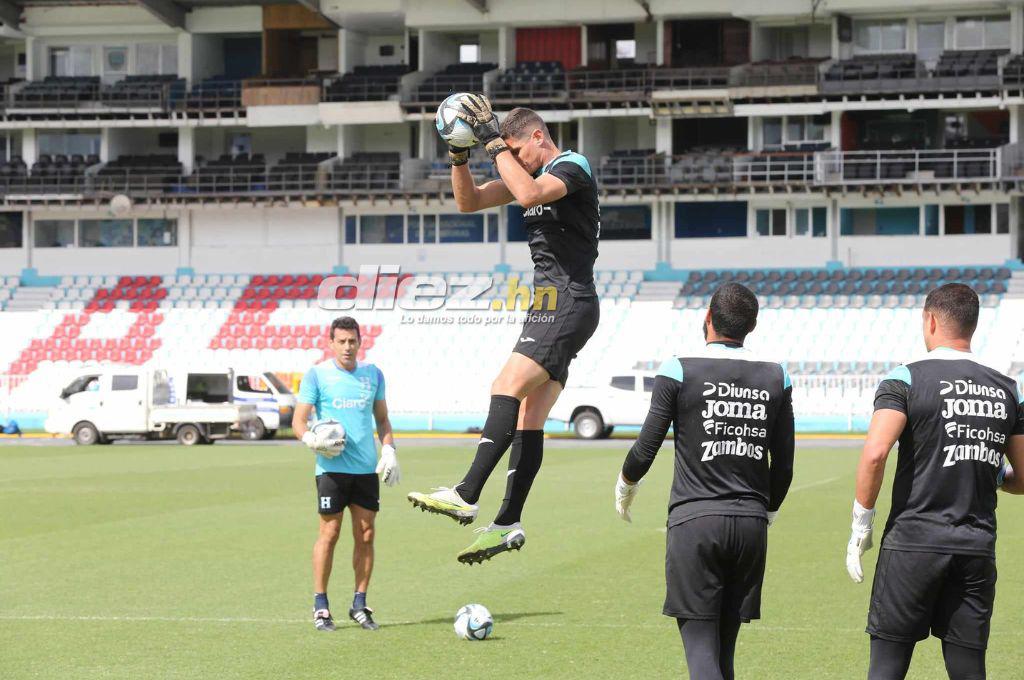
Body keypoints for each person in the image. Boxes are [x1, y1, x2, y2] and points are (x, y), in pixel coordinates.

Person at [407, 99, 601, 565]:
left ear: (537, 136)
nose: (510, 159)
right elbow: (468, 201)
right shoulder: (527, 174)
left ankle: (466, 493)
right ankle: (507, 522)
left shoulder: (571, 165)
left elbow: (530, 195)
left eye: (516, 151)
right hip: (555, 303)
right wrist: (459, 155)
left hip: (567, 300)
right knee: (528, 417)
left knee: (505, 387)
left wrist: (493, 142)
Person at [614, 283, 794, 680]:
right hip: (750, 526)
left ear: (708, 318)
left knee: (700, 654)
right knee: (723, 657)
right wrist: (767, 512)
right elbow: (783, 466)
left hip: (695, 522)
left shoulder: (679, 369)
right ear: (752, 325)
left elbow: (645, 448)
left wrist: (625, 486)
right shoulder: (777, 375)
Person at [846, 283, 1024, 679]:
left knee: (887, 668)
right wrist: (995, 474)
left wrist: (861, 525)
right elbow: (1022, 477)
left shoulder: (906, 378)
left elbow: (875, 453)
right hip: (975, 548)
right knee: (968, 670)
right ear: (973, 326)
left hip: (912, 543)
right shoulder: (1007, 388)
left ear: (929, 320)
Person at [292, 316, 400, 632]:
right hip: (332, 469)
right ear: (331, 343)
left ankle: (359, 604)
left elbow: (382, 420)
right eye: (341, 341)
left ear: (360, 342)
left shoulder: (373, 374)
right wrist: (310, 439)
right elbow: (299, 420)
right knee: (329, 533)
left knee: (366, 534)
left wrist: (389, 450)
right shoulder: (317, 375)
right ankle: (320, 605)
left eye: (352, 341)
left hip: (365, 469)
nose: (347, 347)